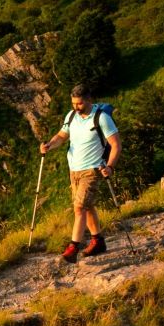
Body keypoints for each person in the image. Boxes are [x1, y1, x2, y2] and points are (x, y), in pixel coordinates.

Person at [40, 83, 120, 260]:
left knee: (79, 207)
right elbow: (62, 136)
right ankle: (98, 241)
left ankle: (73, 248)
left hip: (92, 170)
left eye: (79, 104)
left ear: (89, 100)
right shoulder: (71, 116)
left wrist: (110, 166)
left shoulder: (101, 118)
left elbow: (115, 145)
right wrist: (49, 145)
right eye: (73, 103)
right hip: (74, 171)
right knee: (87, 206)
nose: (76, 107)